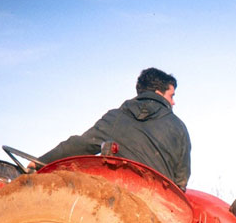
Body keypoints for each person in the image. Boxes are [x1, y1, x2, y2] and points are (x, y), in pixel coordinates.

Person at [35, 67, 191, 190]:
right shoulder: (178, 127)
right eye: (171, 96)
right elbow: (181, 181)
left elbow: (80, 145)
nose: (173, 102)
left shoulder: (115, 117)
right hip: (159, 204)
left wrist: (40, 163)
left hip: (118, 198)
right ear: (158, 93)